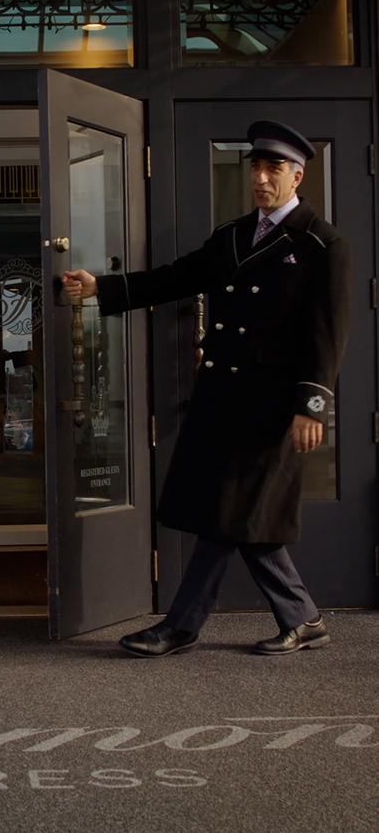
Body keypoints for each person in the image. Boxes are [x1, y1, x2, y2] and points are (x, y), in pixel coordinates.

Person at [63, 121, 349, 659]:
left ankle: (181, 625)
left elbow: (328, 334)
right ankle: (302, 617)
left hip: (273, 405)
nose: (262, 179)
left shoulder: (321, 244)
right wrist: (104, 286)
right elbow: (178, 277)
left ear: (298, 175)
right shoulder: (235, 235)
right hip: (223, 398)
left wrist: (312, 406)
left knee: (228, 513)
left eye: (274, 169)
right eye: (256, 168)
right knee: (234, 513)